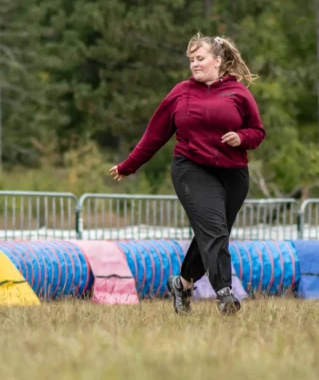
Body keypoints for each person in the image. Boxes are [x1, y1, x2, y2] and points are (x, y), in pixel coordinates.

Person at [109, 33, 265, 315]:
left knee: (213, 235)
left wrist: (241, 138)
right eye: (191, 60)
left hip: (233, 174)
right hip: (191, 168)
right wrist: (129, 165)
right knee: (214, 230)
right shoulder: (181, 92)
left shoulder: (239, 93)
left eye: (200, 58)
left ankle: (182, 284)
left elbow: (257, 132)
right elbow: (154, 136)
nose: (194, 64)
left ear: (217, 61)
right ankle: (224, 294)